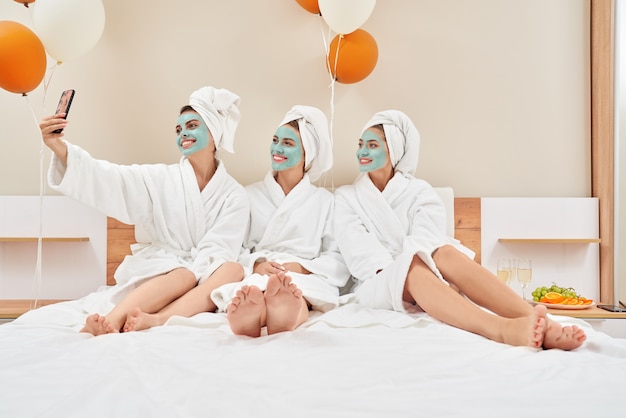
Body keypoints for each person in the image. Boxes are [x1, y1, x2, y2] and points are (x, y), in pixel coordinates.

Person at [334, 110, 587, 350]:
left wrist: (430, 273)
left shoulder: (420, 192)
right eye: (360, 144)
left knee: (443, 252)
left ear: (395, 151)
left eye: (373, 145)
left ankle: (543, 322)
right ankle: (501, 329)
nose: (362, 152)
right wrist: (407, 267)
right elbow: (360, 253)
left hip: (428, 272)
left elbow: (428, 242)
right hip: (376, 281)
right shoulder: (347, 197)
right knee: (411, 265)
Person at [39, 86, 250, 336]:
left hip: (205, 269)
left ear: (215, 134)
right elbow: (112, 179)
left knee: (232, 269)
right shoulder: (159, 178)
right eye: (178, 129)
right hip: (164, 267)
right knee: (182, 275)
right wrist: (59, 147)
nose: (183, 134)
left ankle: (158, 318)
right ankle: (112, 319)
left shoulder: (234, 194)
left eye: (192, 126)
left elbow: (221, 247)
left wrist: (198, 273)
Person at [207, 105, 351, 337]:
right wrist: (257, 264)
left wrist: (301, 268)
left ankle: (287, 312)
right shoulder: (249, 195)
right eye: (275, 140)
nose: (277, 148)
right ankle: (256, 313)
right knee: (255, 289)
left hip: (304, 274)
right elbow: (231, 248)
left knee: (297, 291)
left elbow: (337, 257)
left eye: (288, 143)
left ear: (308, 155)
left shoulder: (325, 201)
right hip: (259, 271)